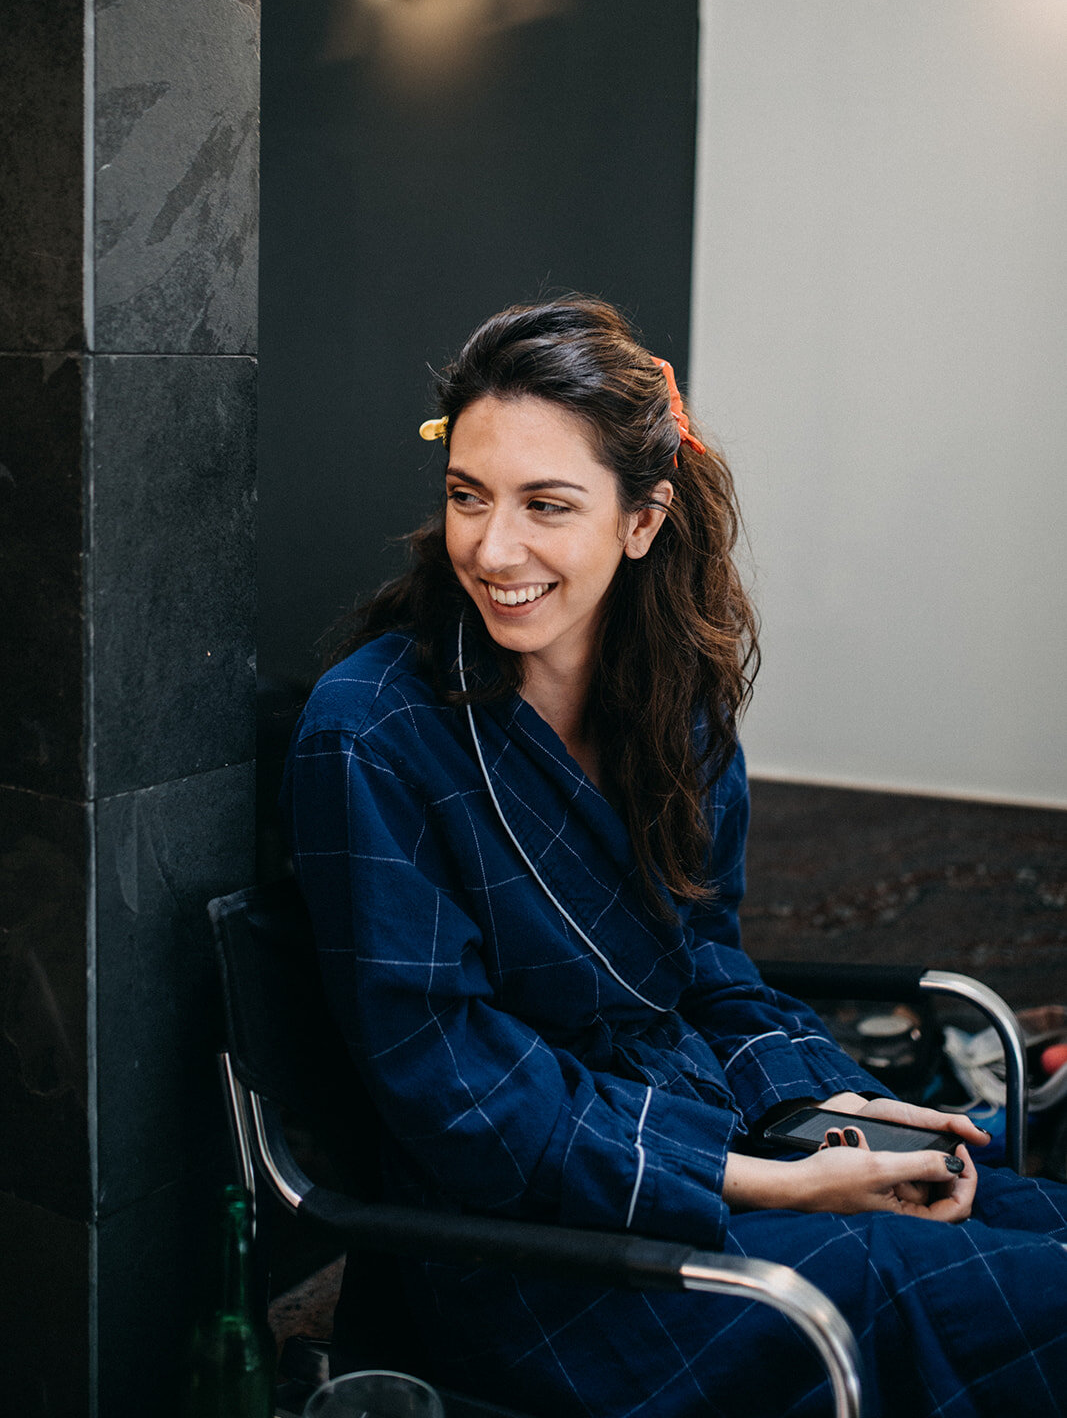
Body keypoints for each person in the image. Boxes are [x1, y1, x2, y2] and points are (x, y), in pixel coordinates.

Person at [284, 298, 1067, 1417]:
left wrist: (838, 1110)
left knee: (1015, 1220)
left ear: (641, 520)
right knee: (937, 1292)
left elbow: (706, 969)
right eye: (467, 496)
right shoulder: (369, 732)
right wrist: (770, 1179)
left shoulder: (677, 710)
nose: (491, 548)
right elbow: (454, 1092)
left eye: (544, 505)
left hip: (700, 1142)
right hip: (526, 1252)